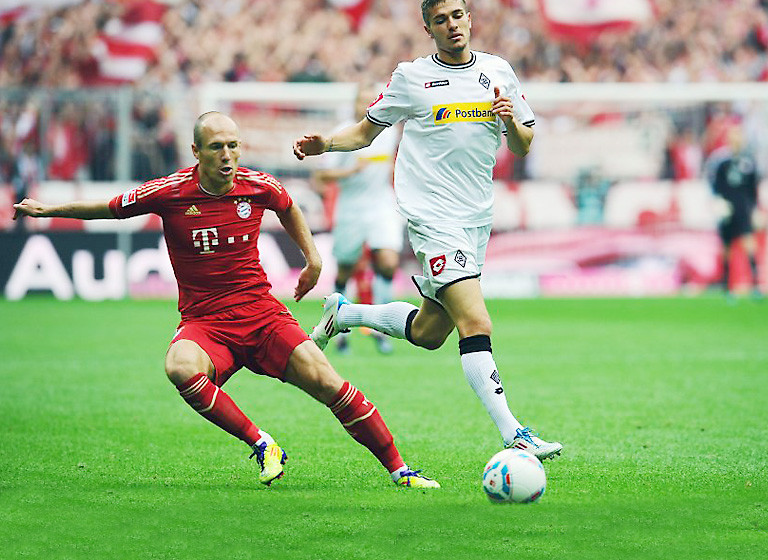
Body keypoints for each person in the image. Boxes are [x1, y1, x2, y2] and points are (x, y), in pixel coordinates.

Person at [13, 111, 439, 489]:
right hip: (205, 322)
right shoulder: (170, 192)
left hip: (262, 314)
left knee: (329, 384)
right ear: (196, 150)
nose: (227, 155)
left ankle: (400, 470)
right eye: (217, 147)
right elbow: (110, 208)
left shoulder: (257, 186)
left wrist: (312, 260)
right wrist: (49, 212)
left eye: (233, 145)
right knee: (180, 367)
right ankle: (262, 442)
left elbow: (289, 206)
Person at [293, 0, 563, 461]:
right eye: (441, 20)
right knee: (475, 322)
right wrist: (326, 144)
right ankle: (513, 432)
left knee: (429, 332)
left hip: (476, 217)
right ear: (428, 28)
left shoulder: (498, 72)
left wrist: (508, 120)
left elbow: (522, 144)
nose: (452, 25)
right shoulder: (411, 78)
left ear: (469, 19)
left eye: (458, 15)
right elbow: (364, 133)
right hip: (430, 216)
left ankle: (346, 314)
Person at [312, 84, 404, 355]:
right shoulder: (341, 133)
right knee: (345, 271)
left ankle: (381, 330)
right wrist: (350, 172)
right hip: (351, 208)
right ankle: (338, 329)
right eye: (361, 100)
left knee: (388, 263)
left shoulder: (388, 132)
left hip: (381, 204)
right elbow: (320, 177)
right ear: (353, 104)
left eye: (370, 101)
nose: (365, 106)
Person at [709, 124, 762, 299]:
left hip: (744, 209)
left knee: (749, 244)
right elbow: (715, 186)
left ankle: (755, 286)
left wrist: (755, 209)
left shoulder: (749, 162)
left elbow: (754, 189)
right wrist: (718, 203)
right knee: (727, 247)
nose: (736, 139)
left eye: (739, 136)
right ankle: (726, 287)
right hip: (727, 210)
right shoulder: (721, 161)